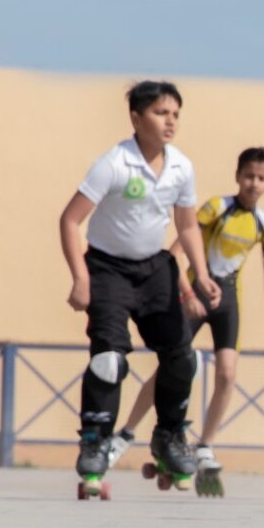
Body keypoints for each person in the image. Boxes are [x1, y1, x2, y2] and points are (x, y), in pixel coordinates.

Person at [57, 80, 224, 500]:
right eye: (160, 113)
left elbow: (187, 226)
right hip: (108, 270)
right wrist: (80, 277)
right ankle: (95, 441)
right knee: (109, 361)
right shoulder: (113, 163)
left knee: (183, 359)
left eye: (175, 114)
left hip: (156, 270)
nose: (170, 121)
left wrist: (201, 276)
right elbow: (70, 220)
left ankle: (169, 437)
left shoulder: (182, 167)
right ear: (136, 118)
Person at [106, 147, 264, 496]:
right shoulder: (216, 208)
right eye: (248, 175)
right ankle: (127, 431)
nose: (253, 183)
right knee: (170, 368)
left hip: (227, 298)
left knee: (228, 373)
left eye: (261, 178)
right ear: (238, 175)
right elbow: (174, 255)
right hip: (193, 291)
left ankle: (205, 444)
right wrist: (187, 294)